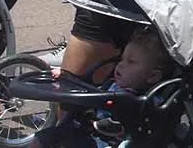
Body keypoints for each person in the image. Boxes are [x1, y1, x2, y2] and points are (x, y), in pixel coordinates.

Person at [34, 30, 174, 148]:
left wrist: (94, 123)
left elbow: (117, 126)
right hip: (85, 132)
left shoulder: (147, 102)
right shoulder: (111, 84)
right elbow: (89, 91)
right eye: (121, 59)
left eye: (131, 62)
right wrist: (67, 77)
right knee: (41, 139)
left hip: (105, 141)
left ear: (153, 76)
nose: (120, 65)